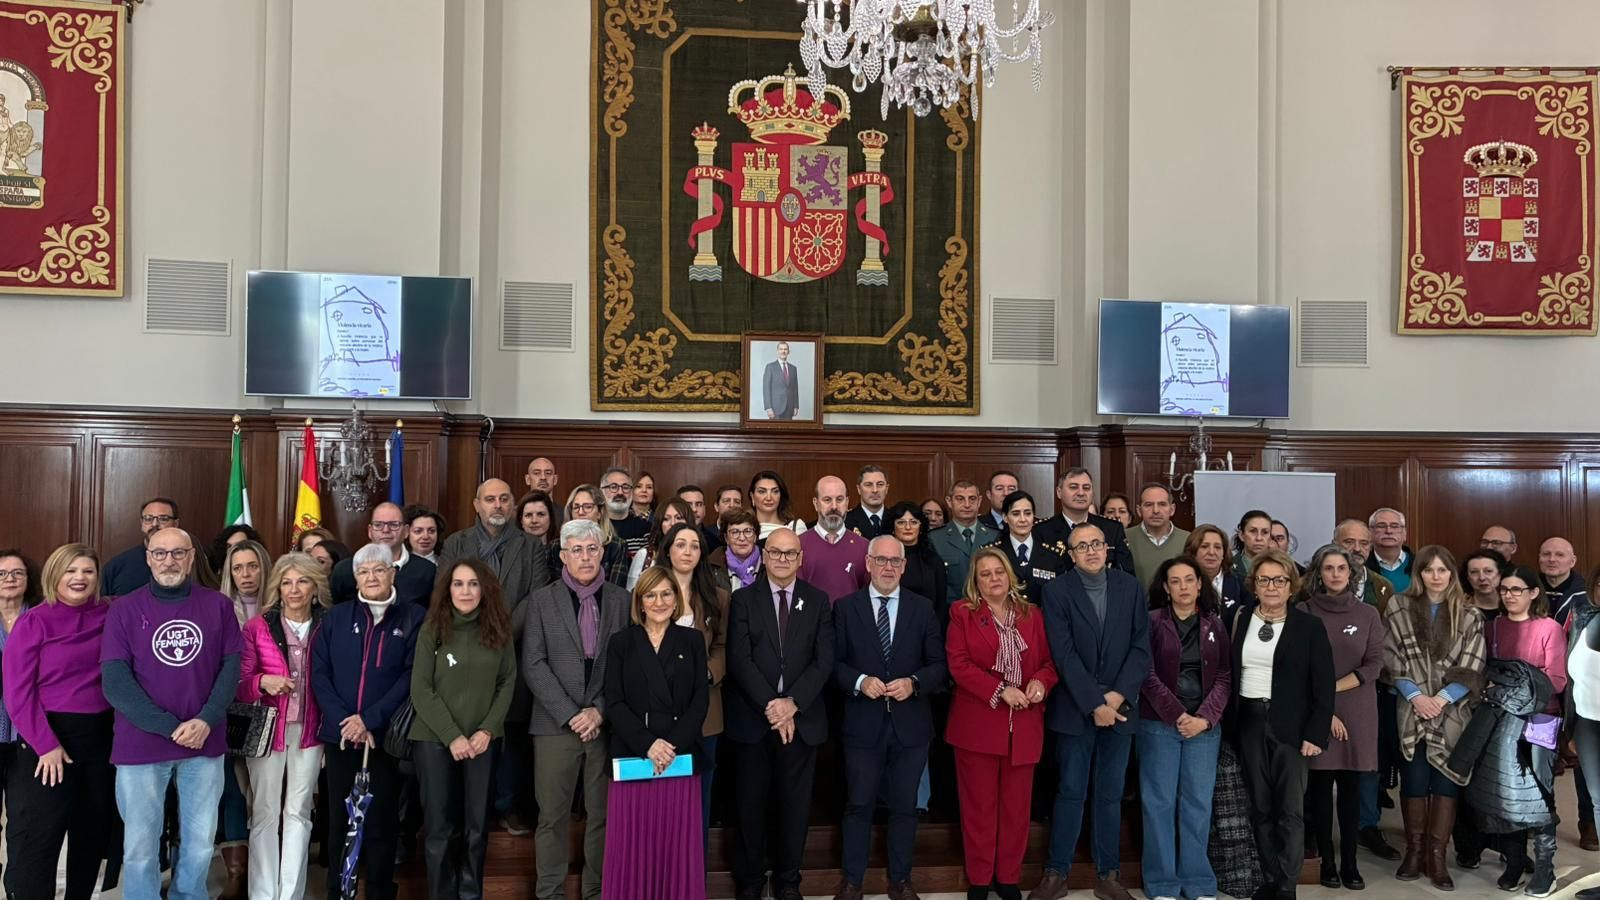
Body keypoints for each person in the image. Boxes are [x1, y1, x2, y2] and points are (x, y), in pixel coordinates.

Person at [101, 527, 243, 900]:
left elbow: (231, 669)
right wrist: (170, 727)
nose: (169, 561)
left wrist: (205, 720)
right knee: (140, 846)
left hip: (204, 741)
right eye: (160, 553)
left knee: (199, 841)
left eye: (178, 553)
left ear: (191, 557)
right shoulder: (123, 609)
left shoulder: (218, 605)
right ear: (148, 557)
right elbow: (116, 681)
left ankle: (188, 896)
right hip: (141, 744)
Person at [1030, 524, 1149, 900]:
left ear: (1108, 548)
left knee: (1111, 795)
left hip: (1121, 709)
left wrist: (1115, 698)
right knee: (1069, 791)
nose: (1092, 551)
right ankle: (1056, 873)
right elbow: (1062, 654)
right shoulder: (1056, 591)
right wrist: (1094, 703)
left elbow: (1140, 648)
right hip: (1075, 709)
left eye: (1097, 544)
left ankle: (1108, 875)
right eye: (1083, 546)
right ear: (1072, 553)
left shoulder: (1130, 588)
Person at [831, 536, 947, 900]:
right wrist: (860, 681)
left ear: (904, 566)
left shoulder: (922, 608)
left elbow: (939, 667)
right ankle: (853, 882)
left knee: (904, 806)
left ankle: (901, 880)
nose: (888, 567)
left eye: (895, 561)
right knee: (858, 804)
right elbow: (831, 664)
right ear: (867, 563)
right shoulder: (845, 608)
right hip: (861, 724)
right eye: (881, 560)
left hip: (910, 726)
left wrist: (914, 683)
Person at [522, 519, 631, 900]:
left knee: (602, 816)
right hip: (555, 725)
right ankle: (550, 893)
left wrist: (598, 711)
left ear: (602, 552)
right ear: (564, 556)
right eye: (577, 550)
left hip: (605, 724)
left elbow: (627, 665)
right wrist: (571, 714)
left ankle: (596, 892)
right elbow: (533, 664)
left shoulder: (623, 600)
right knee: (551, 817)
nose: (585, 557)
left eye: (592, 549)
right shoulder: (541, 599)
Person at [311, 542, 426, 900]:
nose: (372, 577)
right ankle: (338, 891)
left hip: (385, 737)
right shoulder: (336, 617)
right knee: (339, 821)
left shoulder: (414, 617)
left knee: (380, 822)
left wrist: (370, 719)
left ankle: (378, 891)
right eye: (364, 571)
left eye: (379, 569)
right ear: (355, 577)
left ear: (393, 572)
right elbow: (319, 673)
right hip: (342, 736)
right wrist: (347, 720)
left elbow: (411, 677)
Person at [724, 527, 832, 900]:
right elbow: (739, 660)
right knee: (750, 808)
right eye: (776, 552)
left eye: (790, 553)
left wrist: (792, 704)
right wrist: (773, 706)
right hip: (753, 721)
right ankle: (751, 882)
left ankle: (789, 881)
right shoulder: (743, 600)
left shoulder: (818, 601)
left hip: (801, 723)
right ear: (764, 556)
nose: (783, 559)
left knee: (795, 808)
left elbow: (824, 660)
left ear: (801, 559)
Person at [3, 544, 113, 900]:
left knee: (91, 832)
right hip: (48, 738)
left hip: (100, 738)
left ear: (98, 578)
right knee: (43, 835)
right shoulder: (34, 620)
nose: (79, 578)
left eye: (87, 571)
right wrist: (46, 745)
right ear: (55, 575)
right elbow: (18, 693)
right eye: (71, 571)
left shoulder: (111, 615)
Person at [947, 547, 1056, 900]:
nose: (993, 578)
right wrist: (1000, 690)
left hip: (1024, 726)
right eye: (985, 574)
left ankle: (1008, 878)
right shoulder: (963, 614)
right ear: (975, 582)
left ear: (1010, 575)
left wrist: (1040, 681)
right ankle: (979, 881)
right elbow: (959, 665)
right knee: (979, 809)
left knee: (1016, 810)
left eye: (999, 571)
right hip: (978, 725)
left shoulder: (1032, 615)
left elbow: (1049, 663)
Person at [1227, 548, 1334, 900]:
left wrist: (1315, 734)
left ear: (1291, 586)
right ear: (1253, 585)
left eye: (1279, 580)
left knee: (1290, 810)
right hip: (1249, 722)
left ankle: (1287, 886)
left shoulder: (1308, 626)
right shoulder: (1241, 619)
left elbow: (1324, 685)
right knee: (1259, 808)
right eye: (1264, 580)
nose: (1271, 587)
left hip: (1292, 727)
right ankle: (1270, 878)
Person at [599, 566, 710, 900]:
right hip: (635, 757)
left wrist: (670, 746)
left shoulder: (692, 641)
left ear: (676, 600)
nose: (659, 601)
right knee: (632, 843)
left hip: (678, 758)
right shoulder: (621, 642)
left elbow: (699, 703)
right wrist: (649, 745)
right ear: (640, 602)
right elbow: (614, 702)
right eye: (651, 594)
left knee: (675, 845)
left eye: (666, 593)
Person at [411, 558, 517, 900]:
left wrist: (487, 730)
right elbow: (421, 689)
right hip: (435, 741)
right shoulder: (433, 629)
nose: (466, 591)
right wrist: (452, 736)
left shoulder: (499, 630)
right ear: (448, 589)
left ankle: (470, 894)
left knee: (475, 829)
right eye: (458, 583)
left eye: (473, 583)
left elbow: (507, 682)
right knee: (440, 830)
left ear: (484, 589)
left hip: (483, 742)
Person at [1382, 545, 1486, 891]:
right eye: (1429, 570)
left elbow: (1473, 664)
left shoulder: (1469, 614)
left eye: (1443, 570)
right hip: (1411, 707)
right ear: (1419, 574)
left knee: (1445, 781)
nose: (1436, 576)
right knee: (1414, 779)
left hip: (1452, 711)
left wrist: (1440, 699)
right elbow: (1389, 654)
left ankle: (1437, 856)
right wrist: (1416, 696)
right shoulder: (1399, 606)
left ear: (1452, 574)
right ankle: (1414, 851)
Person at [1464, 566, 1565, 896]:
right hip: (1501, 719)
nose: (1508, 594)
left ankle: (1545, 866)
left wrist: (1513, 684)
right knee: (1507, 789)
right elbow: (1486, 673)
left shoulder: (1549, 627)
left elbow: (1556, 681)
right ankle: (1516, 860)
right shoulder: (1492, 626)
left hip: (1541, 719)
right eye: (1504, 588)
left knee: (1539, 790)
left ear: (1533, 593)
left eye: (1516, 589)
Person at [1139, 554, 1231, 900]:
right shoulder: (1151, 622)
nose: (1183, 587)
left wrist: (1205, 717)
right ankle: (1162, 883)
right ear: (1165, 587)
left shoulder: (1214, 624)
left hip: (1204, 728)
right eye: (1175, 581)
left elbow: (1224, 675)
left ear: (1199, 584)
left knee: (1197, 803)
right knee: (1158, 802)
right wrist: (1177, 714)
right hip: (1159, 724)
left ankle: (1197, 881)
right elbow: (1145, 674)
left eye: (1189, 580)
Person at [237, 552, 328, 900]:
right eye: (287, 582)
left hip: (311, 731)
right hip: (267, 730)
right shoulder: (257, 626)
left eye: (302, 581)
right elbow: (240, 684)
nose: (294, 590)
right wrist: (263, 682)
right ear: (277, 587)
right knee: (264, 811)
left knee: (299, 812)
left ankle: (290, 893)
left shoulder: (327, 625)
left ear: (314, 587)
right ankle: (262, 893)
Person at [1300, 544, 1386, 891]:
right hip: (1316, 710)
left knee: (1351, 791)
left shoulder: (1368, 614)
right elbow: (1300, 667)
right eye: (1328, 568)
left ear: (1351, 573)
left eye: (1341, 568)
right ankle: (1327, 863)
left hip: (1359, 711)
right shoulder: (1304, 611)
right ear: (1318, 574)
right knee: (1319, 791)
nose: (1335, 574)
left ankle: (1351, 863)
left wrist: (1331, 693)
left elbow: (1375, 663)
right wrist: (1324, 709)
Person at [1331, 517, 1402, 862]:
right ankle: (1317, 829)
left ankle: (1366, 825)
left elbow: (1386, 642)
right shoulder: (1311, 584)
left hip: (1367, 687)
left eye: (1363, 544)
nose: (1357, 550)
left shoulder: (1382, 587)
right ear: (1335, 543)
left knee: (1366, 761)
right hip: (1322, 687)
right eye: (1349, 543)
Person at [658, 522, 729, 838]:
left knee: (699, 800)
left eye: (695, 545)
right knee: (663, 801)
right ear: (668, 550)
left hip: (705, 713)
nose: (687, 551)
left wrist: (708, 672)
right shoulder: (649, 594)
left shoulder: (719, 598)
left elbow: (723, 646)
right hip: (658, 713)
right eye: (680, 544)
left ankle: (693, 884)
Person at [219, 539, 273, 897]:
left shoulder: (282, 604)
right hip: (227, 710)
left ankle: (264, 871)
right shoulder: (218, 607)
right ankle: (237, 874)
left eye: (251, 566)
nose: (245, 575)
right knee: (232, 788)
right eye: (237, 568)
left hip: (271, 710)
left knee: (264, 793)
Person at [440, 478, 552, 608]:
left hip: (515, 626)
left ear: (512, 504)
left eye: (504, 499)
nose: (498, 505)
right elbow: (443, 592)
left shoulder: (532, 546)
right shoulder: (455, 543)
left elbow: (537, 596)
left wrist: (505, 627)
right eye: (490, 499)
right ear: (477, 505)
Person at [1564, 565, 1600, 900]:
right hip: (1589, 722)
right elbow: (1575, 678)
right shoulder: (1584, 616)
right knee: (1599, 802)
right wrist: (1571, 727)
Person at [329, 503, 439, 606]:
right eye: (378, 525)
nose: (386, 530)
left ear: (406, 531)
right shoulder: (344, 570)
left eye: (394, 525)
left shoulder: (427, 571)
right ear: (370, 531)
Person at [1034, 468, 1134, 576]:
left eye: (1086, 488)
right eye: (1073, 487)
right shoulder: (1041, 531)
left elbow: (1126, 575)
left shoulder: (1112, 528)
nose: (1081, 493)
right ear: (1059, 492)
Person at [983, 491, 1062, 607]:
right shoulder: (992, 553)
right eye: (1015, 514)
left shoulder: (1052, 555)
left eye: (1027, 513)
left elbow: (1059, 597)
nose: (1023, 519)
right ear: (1005, 517)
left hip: (1042, 622)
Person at [799, 476, 870, 602]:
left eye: (839, 499)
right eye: (827, 500)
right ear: (816, 504)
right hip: (810, 621)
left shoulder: (865, 547)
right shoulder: (798, 545)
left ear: (847, 502)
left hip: (850, 621)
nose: (834, 506)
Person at [929, 480, 999, 604]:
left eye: (972, 499)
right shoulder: (935, 538)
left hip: (988, 610)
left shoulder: (995, 536)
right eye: (960, 499)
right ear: (949, 502)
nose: (967, 505)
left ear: (979, 501)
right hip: (949, 613)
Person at [101, 497, 180, 597]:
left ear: (176, 524)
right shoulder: (117, 566)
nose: (155, 524)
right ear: (141, 523)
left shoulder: (189, 564)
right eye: (148, 519)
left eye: (163, 519)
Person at [887, 501, 949, 617]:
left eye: (914, 522)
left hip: (926, 626)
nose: (908, 527)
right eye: (901, 522)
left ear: (921, 527)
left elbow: (941, 605)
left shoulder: (933, 560)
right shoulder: (884, 559)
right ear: (893, 527)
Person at [566, 484, 630, 587]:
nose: (581, 512)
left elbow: (616, 593)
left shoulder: (616, 546)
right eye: (576, 507)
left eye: (587, 507)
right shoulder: (557, 547)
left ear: (600, 512)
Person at [1128, 484, 1190, 589]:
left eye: (1162, 504)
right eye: (1148, 505)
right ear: (1139, 510)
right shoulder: (1124, 537)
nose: (1156, 510)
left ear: (1172, 509)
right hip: (1134, 604)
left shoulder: (1188, 539)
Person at [1185, 524, 1250, 621]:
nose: (1212, 552)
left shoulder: (1242, 584)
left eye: (1217, 547)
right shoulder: (1182, 582)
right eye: (1204, 546)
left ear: (1224, 553)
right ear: (1193, 552)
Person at [625, 498, 693, 590]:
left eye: (679, 518)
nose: (673, 523)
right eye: (666, 519)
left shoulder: (695, 553)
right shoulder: (644, 555)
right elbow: (631, 596)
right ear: (660, 524)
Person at [601, 467, 652, 560]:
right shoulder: (595, 527)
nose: (620, 492)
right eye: (613, 487)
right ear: (602, 491)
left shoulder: (645, 528)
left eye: (625, 487)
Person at [749, 470, 808, 542]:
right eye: (762, 491)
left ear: (781, 496)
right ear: (752, 497)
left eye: (775, 491)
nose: (768, 498)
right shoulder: (744, 528)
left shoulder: (795, 527)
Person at [713, 509, 763, 593]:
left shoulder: (769, 563)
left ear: (755, 536)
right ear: (726, 538)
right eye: (735, 532)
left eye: (747, 531)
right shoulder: (712, 567)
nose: (742, 538)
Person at [1367, 508, 1414, 593]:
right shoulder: (1362, 566)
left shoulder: (1419, 565)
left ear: (1404, 533)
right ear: (1370, 532)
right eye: (1381, 526)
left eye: (1394, 526)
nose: (1388, 531)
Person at [1462, 547, 1510, 622]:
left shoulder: (1512, 607)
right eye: (1474, 572)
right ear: (1468, 578)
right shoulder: (1459, 610)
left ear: (1500, 574)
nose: (1482, 578)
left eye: (1488, 571)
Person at [843, 465, 892, 538]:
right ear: (859, 489)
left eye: (880, 484)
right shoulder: (845, 521)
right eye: (868, 485)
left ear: (887, 488)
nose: (875, 490)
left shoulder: (895, 519)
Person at [674, 483, 725, 553]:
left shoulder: (714, 542)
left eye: (699, 504)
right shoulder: (668, 537)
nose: (694, 509)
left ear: (704, 508)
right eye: (688, 505)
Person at [1232, 510, 1274, 583]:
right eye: (1253, 531)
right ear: (1242, 535)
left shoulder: (1283, 568)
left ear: (1270, 537)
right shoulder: (1227, 568)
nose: (1259, 538)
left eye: (1265, 532)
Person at [762, 340, 800, 420]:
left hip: (789, 408)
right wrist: (768, 408)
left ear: (788, 352)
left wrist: (796, 406)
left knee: (788, 431)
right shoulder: (770, 367)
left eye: (785, 349)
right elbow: (766, 389)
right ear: (777, 351)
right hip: (775, 409)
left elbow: (795, 388)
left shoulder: (793, 369)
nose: (783, 351)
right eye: (781, 349)